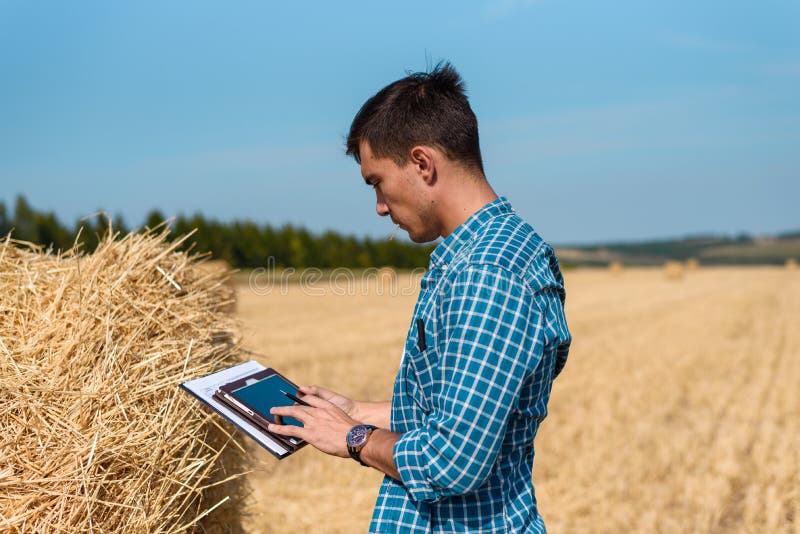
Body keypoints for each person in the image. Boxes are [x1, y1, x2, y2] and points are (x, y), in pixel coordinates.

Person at [268, 62, 571, 533]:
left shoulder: (487, 273)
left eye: (377, 182)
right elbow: (464, 410)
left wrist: (352, 437)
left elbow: (454, 460)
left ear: (423, 163)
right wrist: (356, 411)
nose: (380, 207)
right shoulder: (493, 252)